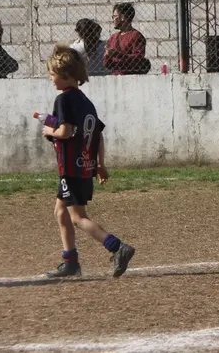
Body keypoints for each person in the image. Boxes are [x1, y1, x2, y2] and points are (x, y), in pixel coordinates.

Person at [40, 44, 135, 279]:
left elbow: (65, 132)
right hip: (85, 167)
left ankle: (117, 246)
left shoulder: (63, 99)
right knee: (60, 211)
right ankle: (70, 261)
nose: (50, 78)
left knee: (78, 217)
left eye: (52, 73)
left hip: (71, 168)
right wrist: (100, 165)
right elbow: (98, 135)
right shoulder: (85, 101)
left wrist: (49, 131)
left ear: (65, 75)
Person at [103, 3, 150, 75]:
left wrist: (117, 54)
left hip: (130, 77)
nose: (113, 19)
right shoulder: (113, 37)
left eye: (115, 16)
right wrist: (107, 55)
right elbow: (107, 65)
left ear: (122, 17)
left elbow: (138, 59)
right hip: (115, 78)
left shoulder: (136, 36)